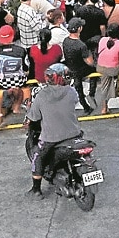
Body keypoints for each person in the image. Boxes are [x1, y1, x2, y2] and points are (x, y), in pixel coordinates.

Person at [26, 63, 83, 199]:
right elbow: (74, 102)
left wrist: (29, 108)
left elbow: (34, 117)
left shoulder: (42, 95)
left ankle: (36, 190)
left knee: (37, 157)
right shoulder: (71, 91)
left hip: (51, 138)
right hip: (75, 133)